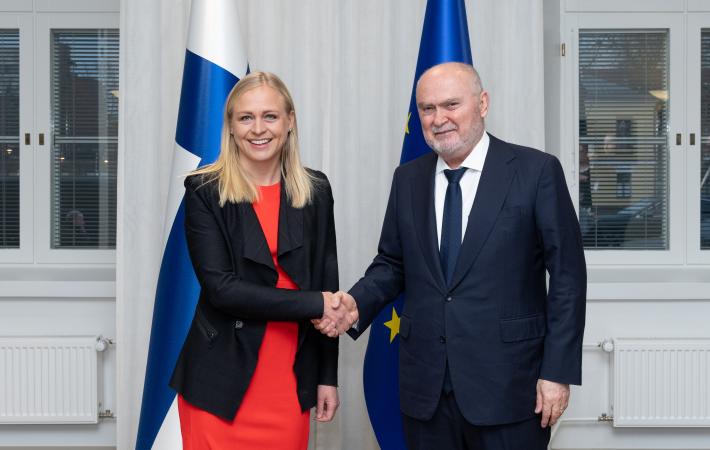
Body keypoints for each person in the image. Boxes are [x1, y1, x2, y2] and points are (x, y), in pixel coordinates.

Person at [316, 62, 587, 449]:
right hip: (426, 390)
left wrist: (557, 372)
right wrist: (356, 304)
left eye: (451, 105)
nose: (438, 118)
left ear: (483, 104)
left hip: (511, 388)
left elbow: (567, 278)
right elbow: (392, 263)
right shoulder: (408, 179)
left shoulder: (535, 171)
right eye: (427, 109)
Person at [170, 71, 353, 450]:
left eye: (270, 116)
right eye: (245, 117)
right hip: (219, 385)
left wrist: (327, 376)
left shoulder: (316, 190)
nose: (258, 129)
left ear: (289, 122)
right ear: (231, 127)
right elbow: (223, 290)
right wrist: (318, 302)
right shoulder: (203, 190)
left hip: (289, 381)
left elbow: (326, 280)